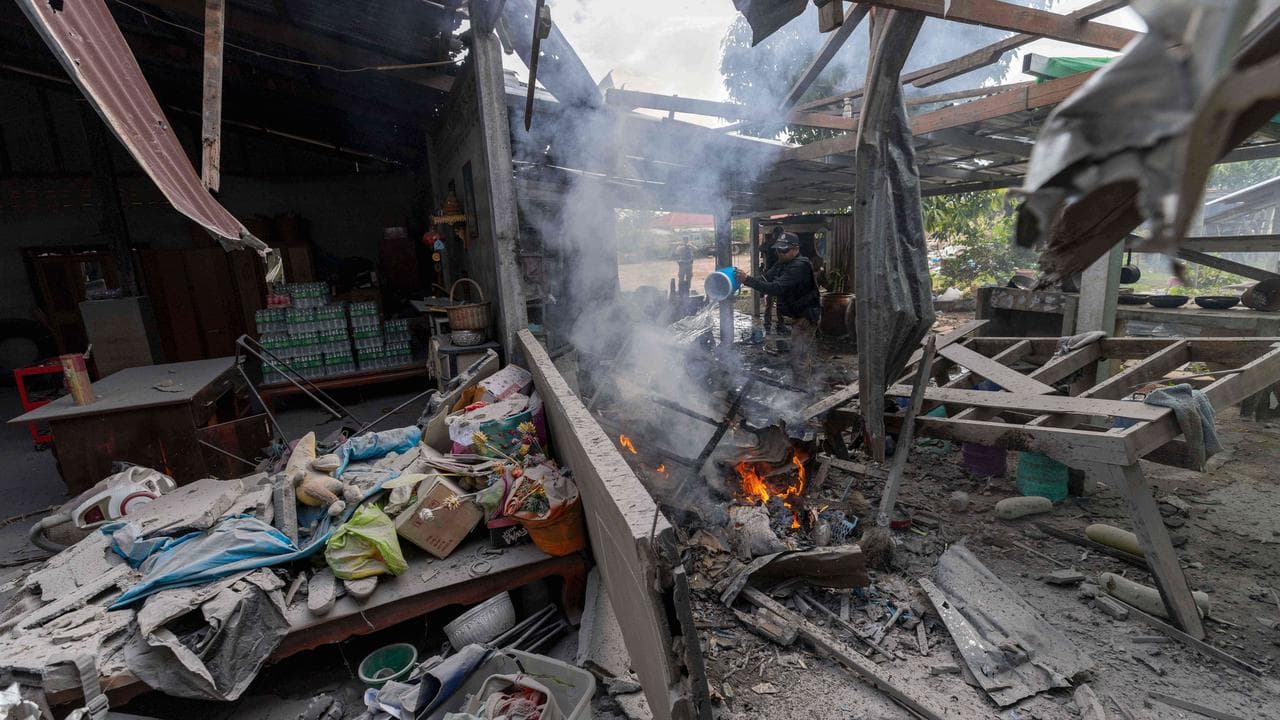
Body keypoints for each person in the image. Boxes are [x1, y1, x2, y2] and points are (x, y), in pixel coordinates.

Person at [736, 232, 821, 384]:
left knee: (799, 356)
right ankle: (801, 382)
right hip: (796, 314)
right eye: (778, 250)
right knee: (798, 352)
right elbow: (766, 278)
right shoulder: (783, 262)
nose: (780, 253)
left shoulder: (800, 266)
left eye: (784, 250)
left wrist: (747, 280)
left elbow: (776, 288)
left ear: (796, 249)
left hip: (806, 316)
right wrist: (742, 280)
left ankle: (802, 390)